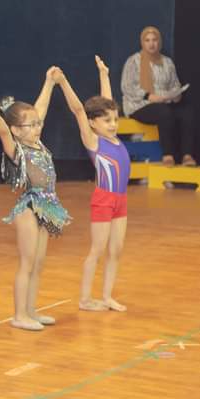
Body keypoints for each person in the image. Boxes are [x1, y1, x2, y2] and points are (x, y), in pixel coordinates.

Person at [0, 69, 72, 331]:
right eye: (31, 125)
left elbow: (40, 108)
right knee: (27, 262)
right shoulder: (17, 148)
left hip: (47, 207)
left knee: (38, 264)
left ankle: (31, 311)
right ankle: (19, 315)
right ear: (16, 130)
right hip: (29, 208)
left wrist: (49, 82)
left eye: (38, 124)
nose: (37, 127)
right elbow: (2, 131)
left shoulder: (37, 142)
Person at [61, 57, 131, 313]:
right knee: (98, 250)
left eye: (115, 119)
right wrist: (63, 82)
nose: (113, 124)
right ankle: (85, 299)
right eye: (107, 121)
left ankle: (107, 296)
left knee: (116, 250)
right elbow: (78, 110)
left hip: (121, 199)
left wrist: (104, 74)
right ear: (93, 123)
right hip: (104, 199)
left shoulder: (113, 137)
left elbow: (107, 101)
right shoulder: (93, 141)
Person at [120, 26, 196, 167]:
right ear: (142, 42)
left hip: (164, 102)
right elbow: (127, 87)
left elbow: (174, 84)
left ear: (159, 42)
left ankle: (187, 155)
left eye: (154, 40)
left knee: (187, 112)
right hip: (139, 105)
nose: (151, 43)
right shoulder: (134, 61)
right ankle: (168, 155)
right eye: (147, 40)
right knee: (163, 112)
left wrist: (176, 95)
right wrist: (149, 96)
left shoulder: (167, 62)